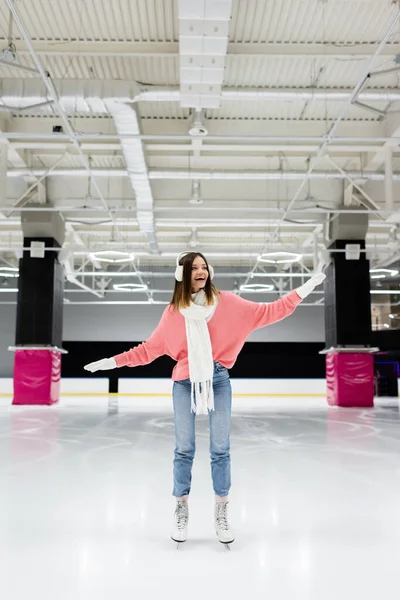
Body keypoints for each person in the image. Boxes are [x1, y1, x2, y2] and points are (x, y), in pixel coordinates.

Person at [84, 251, 325, 545]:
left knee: (220, 448)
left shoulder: (229, 303)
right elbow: (148, 350)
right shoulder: (174, 312)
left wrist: (302, 290)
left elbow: (270, 311)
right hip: (184, 384)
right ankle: (181, 509)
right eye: (194, 268)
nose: (201, 271)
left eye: (204, 267)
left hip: (219, 379)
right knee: (184, 449)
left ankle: (222, 513)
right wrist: (112, 362)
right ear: (182, 275)